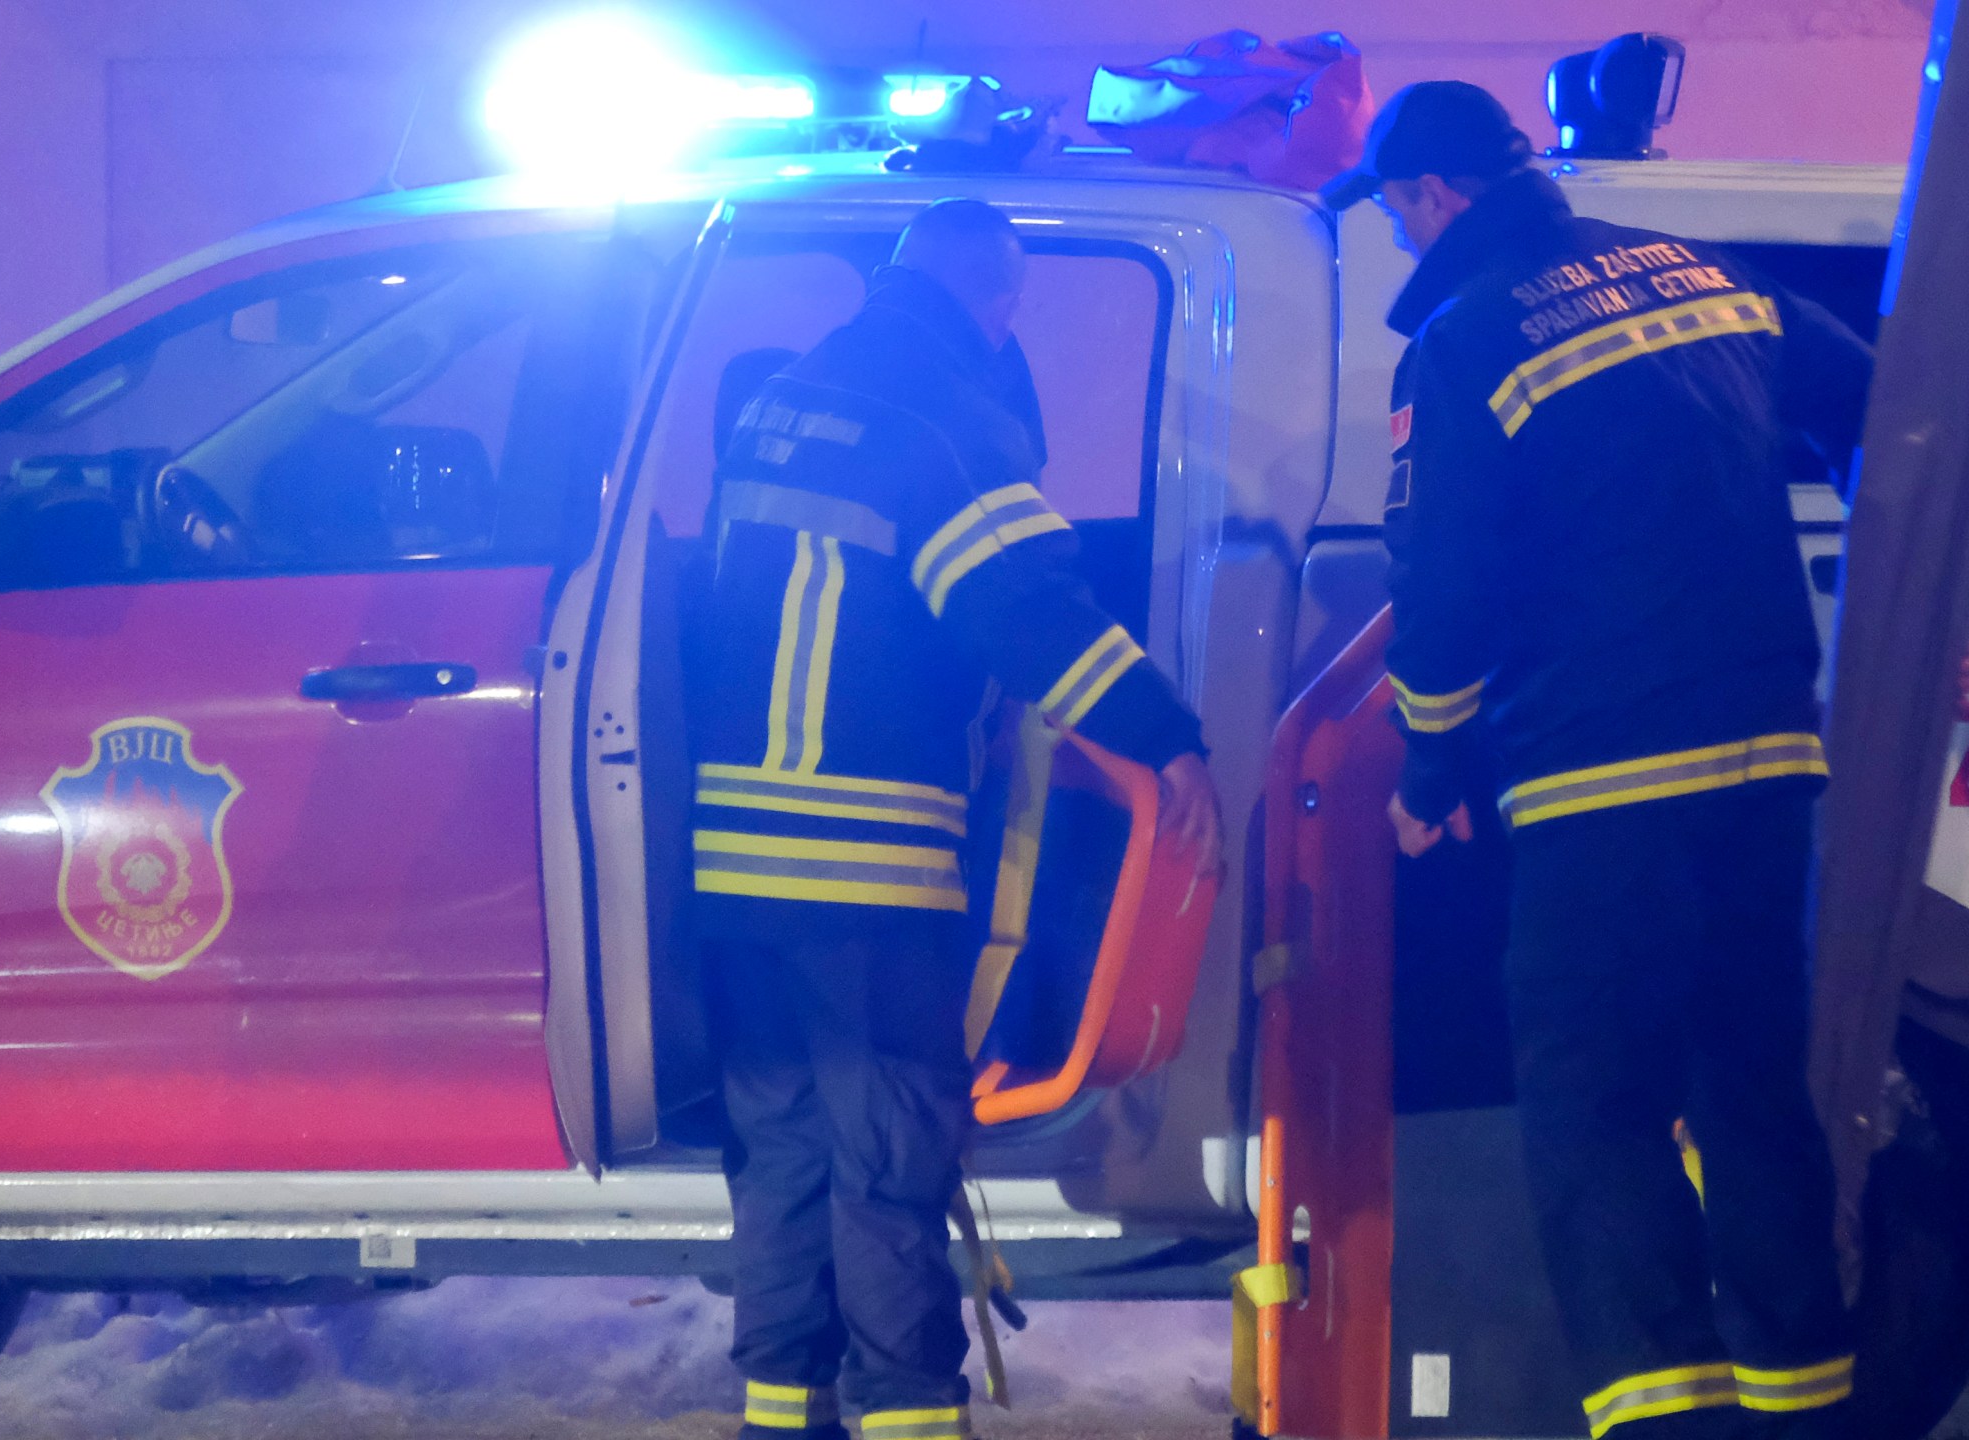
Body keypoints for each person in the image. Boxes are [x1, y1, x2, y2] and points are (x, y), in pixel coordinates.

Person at [1325, 83, 1875, 1439]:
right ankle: (1802, 1405)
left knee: (1597, 1108)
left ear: (1435, 196)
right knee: (1754, 1090)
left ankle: (1662, 1418)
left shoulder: (1463, 344)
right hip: (1768, 770)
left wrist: (1430, 773)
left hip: (1597, 782)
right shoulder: (1703, 279)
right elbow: (1884, 407)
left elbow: (1443, 589)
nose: (1399, 237)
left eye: (1397, 211)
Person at [686, 198, 1221, 1440]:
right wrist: (1167, 739)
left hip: (731, 862)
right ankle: (909, 1414)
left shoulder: (785, 401)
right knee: (891, 1154)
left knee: (782, 1148)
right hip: (860, 863)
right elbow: (1031, 614)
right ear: (1000, 306)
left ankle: (781, 1407)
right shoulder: (945, 425)